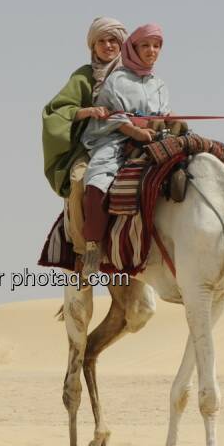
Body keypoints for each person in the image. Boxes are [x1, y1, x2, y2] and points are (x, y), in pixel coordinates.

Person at [80, 23, 169, 275]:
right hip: (114, 141)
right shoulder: (117, 80)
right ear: (133, 48)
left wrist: (168, 121)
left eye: (156, 46)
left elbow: (162, 114)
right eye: (145, 45)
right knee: (96, 183)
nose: (151, 50)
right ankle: (92, 247)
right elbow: (112, 115)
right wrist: (135, 131)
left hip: (152, 139)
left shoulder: (160, 85)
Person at [41, 17, 128, 255]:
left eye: (113, 40)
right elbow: (55, 111)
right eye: (101, 41)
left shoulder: (134, 74)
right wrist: (88, 111)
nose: (108, 45)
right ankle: (83, 251)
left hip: (131, 142)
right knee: (80, 181)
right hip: (92, 147)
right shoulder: (83, 76)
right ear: (93, 46)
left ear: (121, 43)